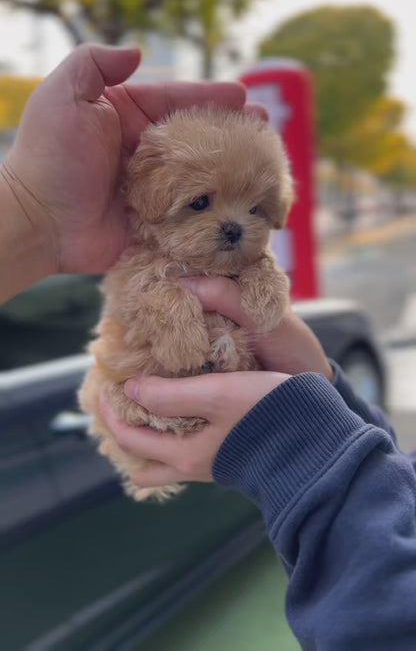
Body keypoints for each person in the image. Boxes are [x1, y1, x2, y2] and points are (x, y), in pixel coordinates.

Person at [1, 44, 416, 650]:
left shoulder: (251, 264)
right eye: (200, 202)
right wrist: (28, 211)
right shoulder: (141, 256)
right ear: (155, 199)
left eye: (254, 208)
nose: (233, 225)